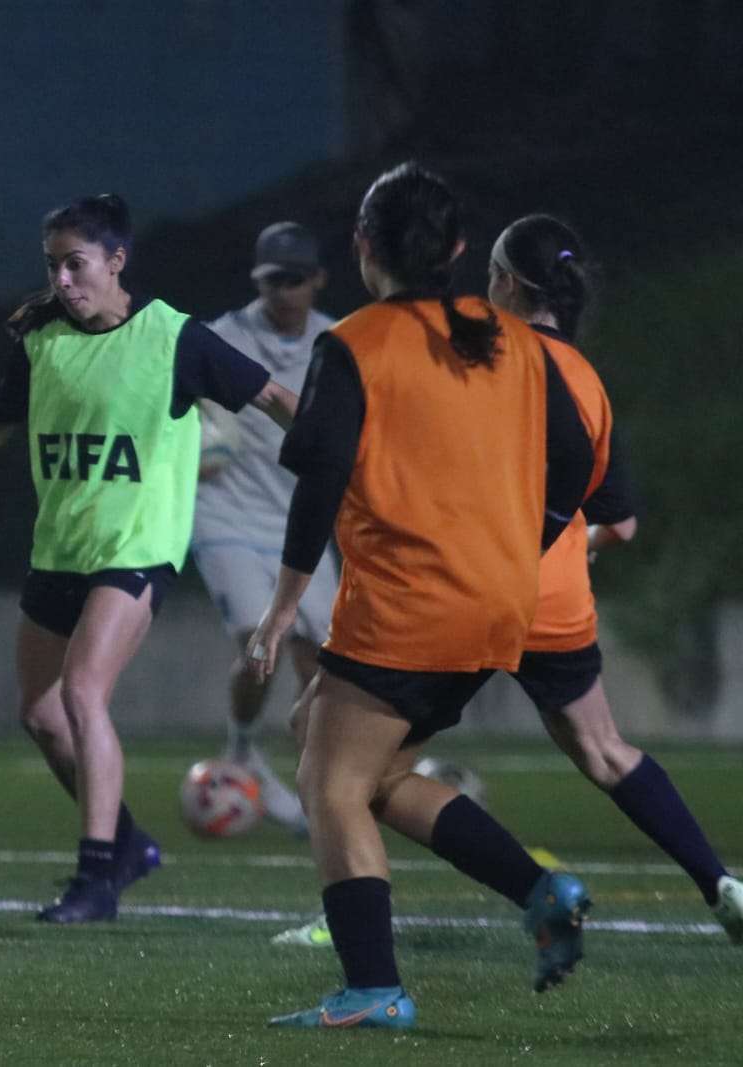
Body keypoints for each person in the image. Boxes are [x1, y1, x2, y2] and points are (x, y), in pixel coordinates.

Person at [272, 215, 743, 952]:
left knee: (337, 762)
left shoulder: (486, 352)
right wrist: (563, 543)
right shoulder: (587, 379)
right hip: (551, 603)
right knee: (605, 750)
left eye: (493, 274)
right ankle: (719, 882)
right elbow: (619, 523)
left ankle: (370, 922)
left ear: (507, 285)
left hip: (460, 593)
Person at [0, 194, 296, 924]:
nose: (63, 280)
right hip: (60, 548)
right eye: (52, 267)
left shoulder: (175, 339)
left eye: (76, 265)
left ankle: (96, 879)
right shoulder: (41, 337)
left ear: (116, 260)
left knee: (83, 691)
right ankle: (127, 844)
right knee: (39, 715)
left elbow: (276, 398)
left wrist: (347, 448)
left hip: (136, 552)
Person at [245, 163, 596, 1029]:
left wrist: (284, 605)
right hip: (499, 603)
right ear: (459, 250)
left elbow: (321, 480)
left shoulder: (355, 344)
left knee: (329, 786)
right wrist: (524, 537)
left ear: (364, 248)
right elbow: (577, 458)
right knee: (364, 763)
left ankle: (373, 987)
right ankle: (542, 889)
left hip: (409, 604)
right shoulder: (515, 337)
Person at [191, 222, 337, 834]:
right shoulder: (223, 338)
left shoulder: (337, 341)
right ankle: (243, 746)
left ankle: (322, 787)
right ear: (257, 281)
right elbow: (172, 408)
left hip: (299, 524)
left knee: (325, 669)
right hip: (224, 516)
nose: (284, 291)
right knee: (259, 645)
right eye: (273, 279)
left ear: (318, 280)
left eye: (295, 279)